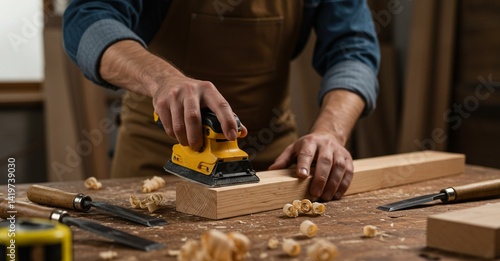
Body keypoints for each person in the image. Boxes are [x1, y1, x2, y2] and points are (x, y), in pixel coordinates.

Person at [63, 0, 380, 201]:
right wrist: (161, 79)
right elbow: (87, 18)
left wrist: (331, 132)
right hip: (157, 166)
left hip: (275, 166)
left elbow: (353, 50)